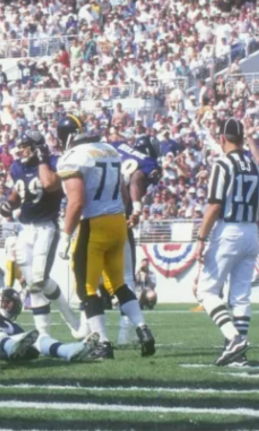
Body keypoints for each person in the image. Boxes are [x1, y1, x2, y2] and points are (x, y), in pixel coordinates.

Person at [57, 115, 156, 359]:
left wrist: (65, 235)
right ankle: (143, 330)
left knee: (87, 288)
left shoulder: (72, 157)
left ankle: (103, 343)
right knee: (119, 284)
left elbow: (76, 202)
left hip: (93, 225)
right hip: (117, 223)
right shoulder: (109, 150)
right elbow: (123, 193)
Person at [194, 118, 259, 367]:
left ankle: (233, 338)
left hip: (230, 229)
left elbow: (214, 204)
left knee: (205, 290)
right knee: (241, 296)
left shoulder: (223, 164)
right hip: (251, 231)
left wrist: (201, 238)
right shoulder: (256, 167)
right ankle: (240, 352)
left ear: (222, 138)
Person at [7, 131, 81, 337]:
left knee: (39, 279)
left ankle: (72, 321)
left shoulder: (54, 162)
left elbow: (49, 183)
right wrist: (8, 203)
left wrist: (42, 159)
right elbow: (17, 193)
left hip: (46, 227)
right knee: (34, 285)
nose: (20, 150)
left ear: (37, 147)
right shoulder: (17, 167)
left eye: (25, 146)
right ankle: (44, 336)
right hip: (25, 229)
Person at [108, 135, 162, 345]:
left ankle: (90, 333)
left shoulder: (116, 146)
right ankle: (124, 334)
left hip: (94, 216)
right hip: (120, 219)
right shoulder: (148, 162)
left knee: (89, 278)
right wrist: (138, 208)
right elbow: (138, 177)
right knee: (127, 277)